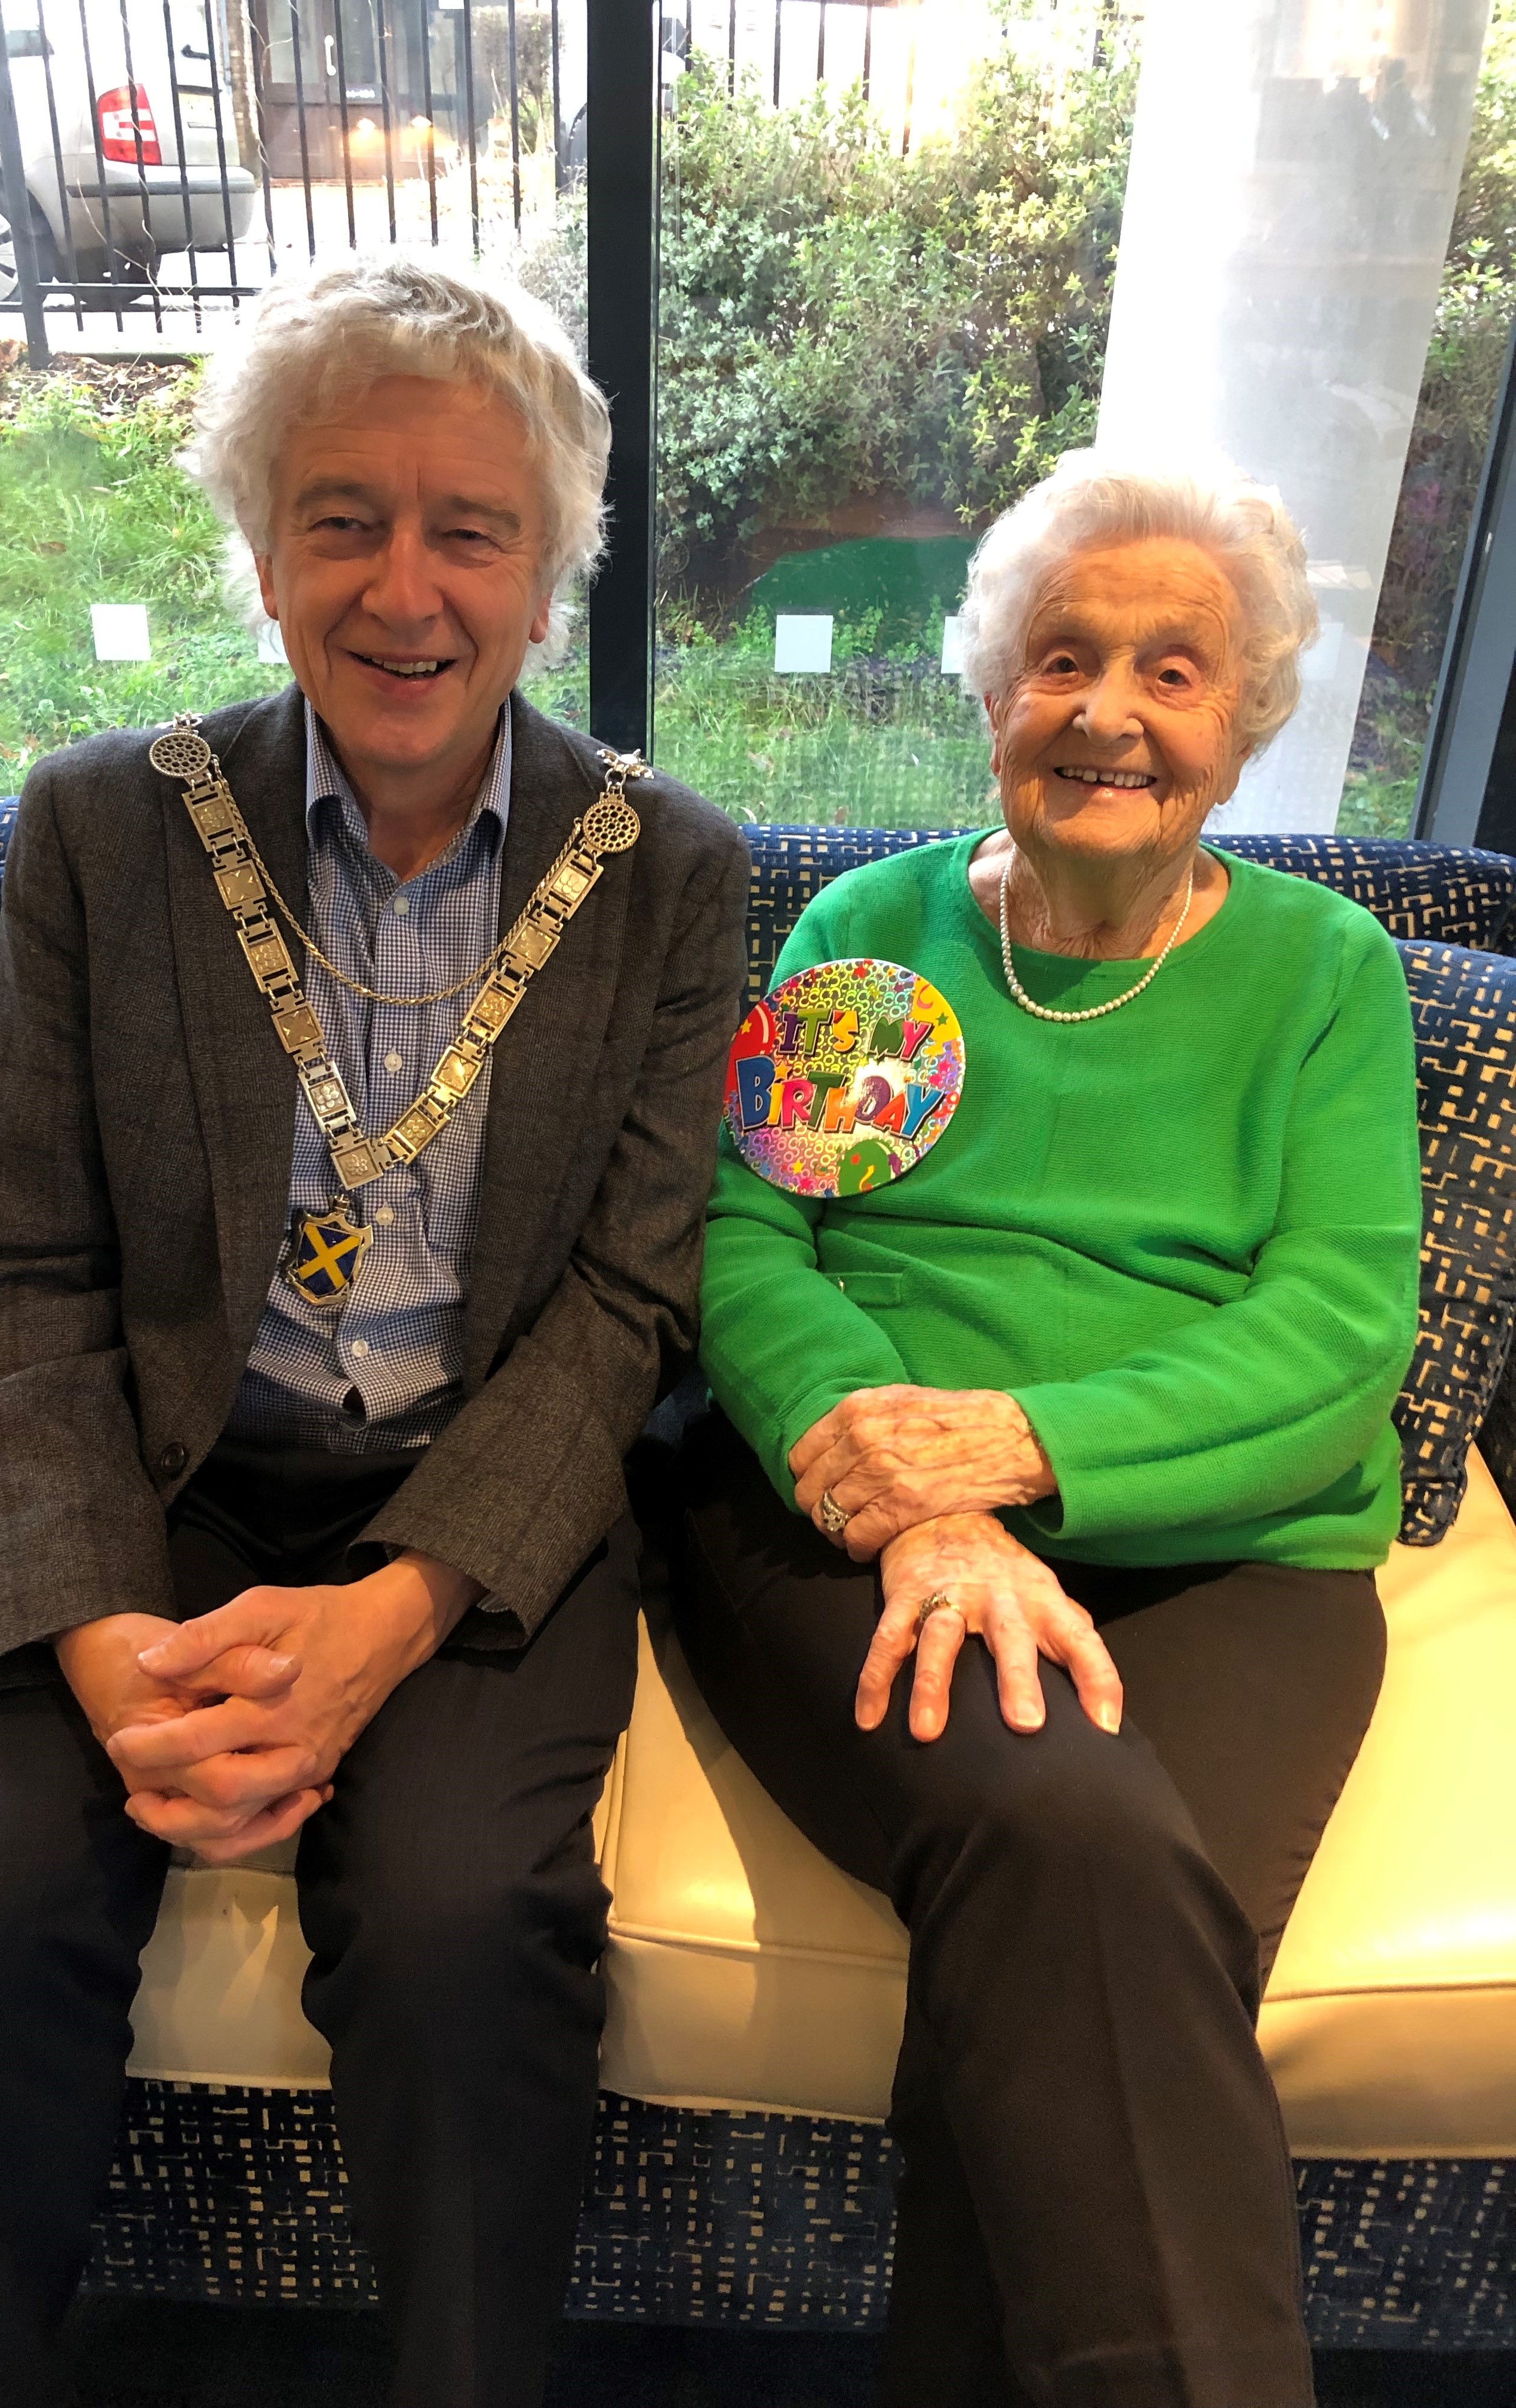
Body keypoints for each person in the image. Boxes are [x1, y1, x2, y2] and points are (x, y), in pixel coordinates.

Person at [0, 255, 748, 2408]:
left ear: (548, 575)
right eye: (343, 516)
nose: (404, 587)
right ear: (261, 551)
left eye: (470, 528)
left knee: (455, 1940)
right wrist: (84, 1637)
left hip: (474, 1518)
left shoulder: (666, 871)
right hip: (150, 1482)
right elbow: (21, 1266)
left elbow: (635, 1296)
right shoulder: (107, 830)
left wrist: (394, 1614)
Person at [675, 454, 1422, 2406]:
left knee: (1091, 1957)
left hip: (1243, 1551)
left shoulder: (1323, 976)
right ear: (990, 693)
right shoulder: (877, 925)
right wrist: (904, 1491)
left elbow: (1340, 1334)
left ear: (1246, 718)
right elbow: (752, 1245)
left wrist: (1018, 1448)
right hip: (850, 1518)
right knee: (1078, 1847)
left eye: (1177, 672)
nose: (1110, 712)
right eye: (1063, 659)